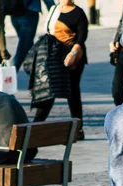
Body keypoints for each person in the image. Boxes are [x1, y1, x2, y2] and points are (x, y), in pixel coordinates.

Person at [32, 0, 88, 139]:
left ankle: (78, 128)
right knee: (49, 88)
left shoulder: (78, 13)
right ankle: (36, 124)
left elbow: (82, 37)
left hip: (73, 57)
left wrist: (73, 54)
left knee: (72, 92)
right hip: (54, 55)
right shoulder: (54, 10)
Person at [11, 0, 55, 72]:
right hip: (25, 11)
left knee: (26, 44)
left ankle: (34, 71)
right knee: (25, 44)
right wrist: (53, 10)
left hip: (16, 11)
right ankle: (13, 70)